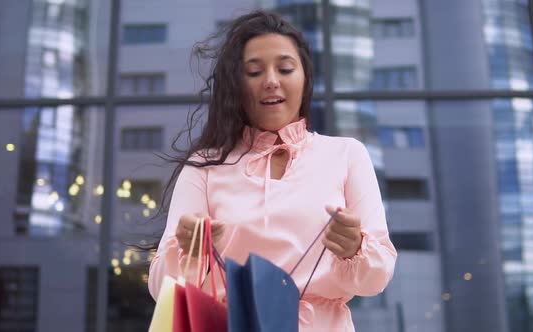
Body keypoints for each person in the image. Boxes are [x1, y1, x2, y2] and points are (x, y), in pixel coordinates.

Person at [148, 10, 397, 331]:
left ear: (305, 78)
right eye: (254, 71)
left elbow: (377, 278)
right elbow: (161, 288)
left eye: (285, 68)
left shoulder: (347, 154)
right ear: (236, 85)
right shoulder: (203, 167)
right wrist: (190, 252)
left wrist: (354, 248)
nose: (270, 81)